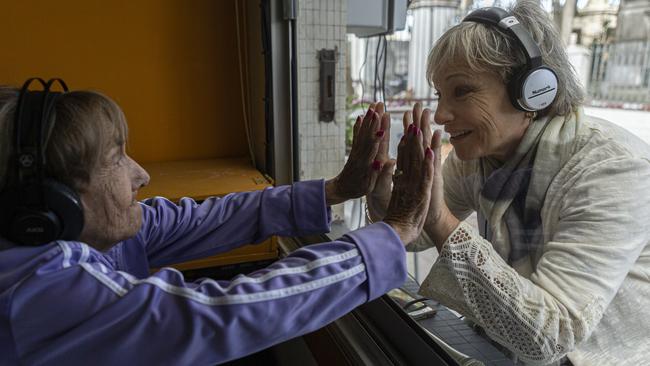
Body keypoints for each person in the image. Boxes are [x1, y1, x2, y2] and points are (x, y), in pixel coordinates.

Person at [0, 80, 435, 365]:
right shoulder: (37, 291)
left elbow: (202, 219)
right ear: (48, 203)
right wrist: (393, 233)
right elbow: (216, 314)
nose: (141, 175)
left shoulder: (86, 234)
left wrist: (336, 189)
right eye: (115, 160)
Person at [367, 1, 650, 365]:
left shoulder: (612, 170)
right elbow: (417, 233)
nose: (440, 114)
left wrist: (440, 220)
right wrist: (385, 196)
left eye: (462, 91)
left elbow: (549, 337)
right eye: (439, 95)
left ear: (532, 91)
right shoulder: (482, 157)